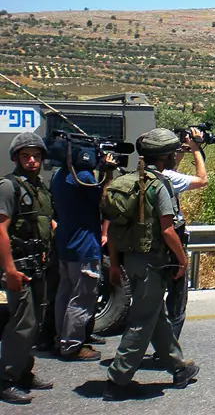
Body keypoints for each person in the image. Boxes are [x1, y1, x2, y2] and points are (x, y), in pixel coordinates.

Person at [104, 128, 199, 401]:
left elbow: (112, 229)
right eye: (173, 154)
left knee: (156, 316)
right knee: (142, 320)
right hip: (151, 265)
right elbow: (168, 230)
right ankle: (117, 380)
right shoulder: (158, 185)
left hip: (131, 261)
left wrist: (113, 264)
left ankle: (178, 368)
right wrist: (182, 261)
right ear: (165, 157)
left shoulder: (127, 181)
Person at [0, 133, 54, 405]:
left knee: (34, 325)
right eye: (25, 156)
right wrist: (9, 270)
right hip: (18, 266)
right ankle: (6, 380)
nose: (32, 161)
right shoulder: (9, 187)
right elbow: (0, 229)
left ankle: (24, 372)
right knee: (21, 326)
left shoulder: (38, 187)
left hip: (37, 264)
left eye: (36, 156)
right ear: (16, 159)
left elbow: (43, 221)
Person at [51, 150, 115, 362]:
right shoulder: (84, 177)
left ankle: (61, 338)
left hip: (65, 244)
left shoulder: (60, 175)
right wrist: (108, 174)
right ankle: (72, 345)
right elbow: (104, 202)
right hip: (84, 247)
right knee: (83, 297)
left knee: (65, 293)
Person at [155, 127, 208, 350]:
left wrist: (180, 151)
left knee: (152, 301)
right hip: (171, 247)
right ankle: (169, 350)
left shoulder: (148, 174)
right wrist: (197, 150)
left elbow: (170, 172)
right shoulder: (169, 177)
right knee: (176, 302)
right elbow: (202, 180)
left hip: (150, 249)